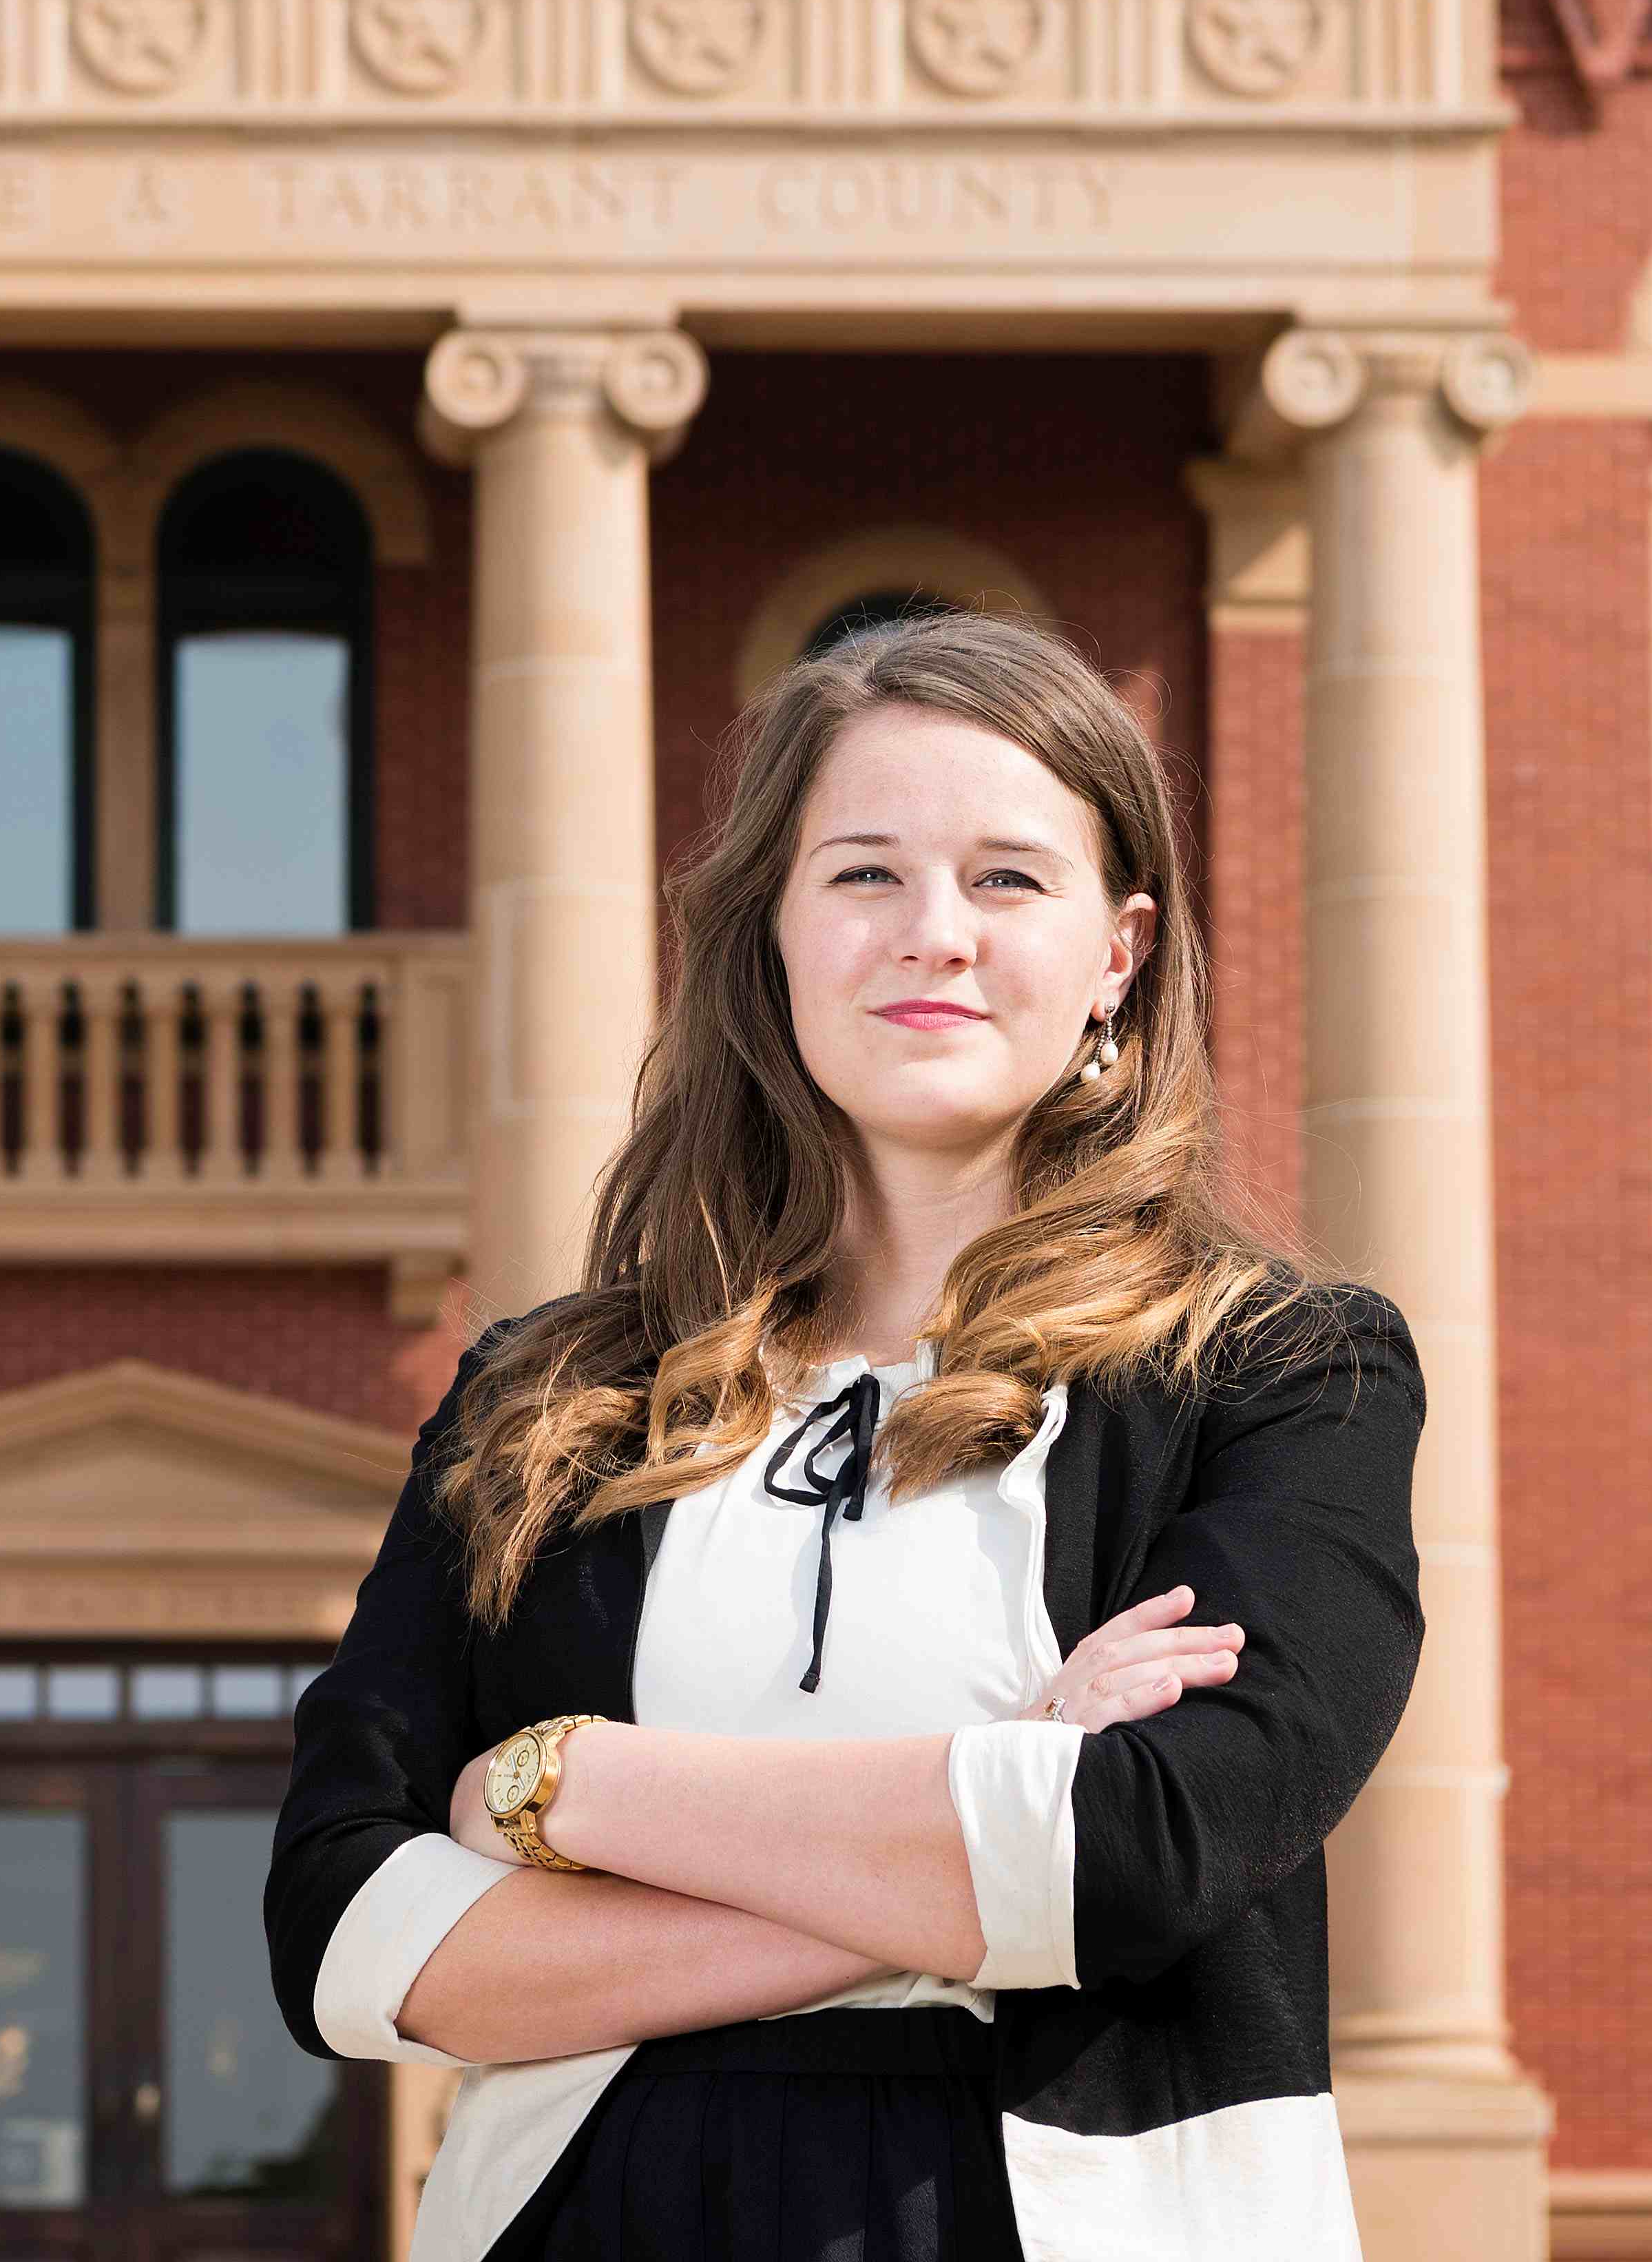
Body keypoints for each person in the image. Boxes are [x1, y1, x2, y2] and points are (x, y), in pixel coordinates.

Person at [264, 607, 1422, 2260]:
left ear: (1119, 948)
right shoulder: (542, 1396)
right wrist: (993, 1808)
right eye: (863, 873)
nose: (931, 932)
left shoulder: (1283, 1372)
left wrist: (560, 1785)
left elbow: (1140, 1857)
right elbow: (338, 1937)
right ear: (772, 938)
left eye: (1008, 877)